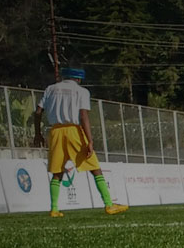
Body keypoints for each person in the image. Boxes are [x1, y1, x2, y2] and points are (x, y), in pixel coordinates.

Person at [31, 66, 127, 217]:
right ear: (79, 78)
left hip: (55, 131)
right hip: (74, 130)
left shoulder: (50, 89)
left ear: (64, 77)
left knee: (57, 171)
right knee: (94, 167)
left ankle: (54, 209)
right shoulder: (81, 91)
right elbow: (83, 116)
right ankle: (109, 204)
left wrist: (37, 133)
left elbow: (37, 112)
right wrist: (90, 140)